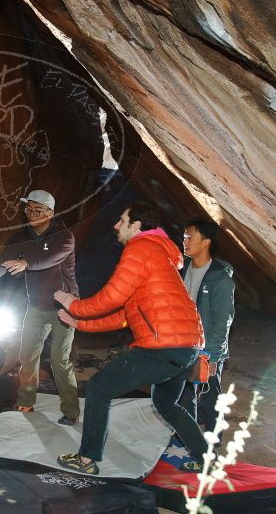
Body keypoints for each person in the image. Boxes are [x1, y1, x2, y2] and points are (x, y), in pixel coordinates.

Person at [54, 202, 208, 474]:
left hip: (163, 346)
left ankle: (87, 460)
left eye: (121, 220)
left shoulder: (141, 247)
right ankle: (205, 458)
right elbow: (124, 316)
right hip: (187, 346)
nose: (116, 226)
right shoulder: (159, 254)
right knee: (166, 403)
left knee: (99, 387)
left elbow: (112, 296)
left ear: (136, 226)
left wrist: (75, 305)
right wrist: (80, 323)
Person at [0, 190, 80, 425]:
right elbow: (5, 259)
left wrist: (26, 262)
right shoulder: (22, 236)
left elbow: (50, 259)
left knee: (59, 360)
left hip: (64, 307)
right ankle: (26, 401)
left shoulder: (64, 237)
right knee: (27, 358)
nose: (31, 215)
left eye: (37, 210)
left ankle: (71, 411)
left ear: (51, 213)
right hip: (35, 306)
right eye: (28, 210)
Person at [179, 217, 235, 433]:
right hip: (184, 344)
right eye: (184, 237)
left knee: (210, 396)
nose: (184, 241)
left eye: (189, 237)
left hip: (207, 347)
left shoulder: (219, 280)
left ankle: (212, 442)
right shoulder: (182, 271)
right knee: (185, 394)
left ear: (206, 242)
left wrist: (211, 355)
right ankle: (189, 437)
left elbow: (223, 321)